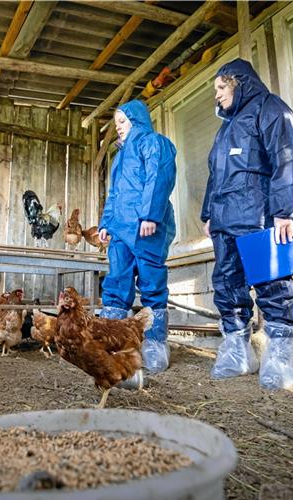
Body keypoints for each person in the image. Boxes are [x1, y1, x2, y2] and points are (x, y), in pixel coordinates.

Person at [201, 58, 293, 390]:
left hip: (258, 212)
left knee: (271, 280)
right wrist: (208, 214)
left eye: (221, 86)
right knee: (227, 283)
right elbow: (214, 175)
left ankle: (282, 354)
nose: (216, 94)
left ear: (239, 82)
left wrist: (285, 210)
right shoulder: (224, 129)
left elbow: (286, 155)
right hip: (224, 218)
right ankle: (237, 350)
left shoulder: (270, 108)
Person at [98, 99, 177, 379]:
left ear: (137, 120)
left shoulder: (154, 143)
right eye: (116, 123)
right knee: (116, 281)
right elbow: (115, 193)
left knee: (151, 281)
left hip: (146, 227)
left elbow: (159, 178)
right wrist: (106, 223)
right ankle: (112, 341)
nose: (118, 127)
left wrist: (150, 215)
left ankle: (155, 342)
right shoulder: (119, 157)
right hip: (120, 229)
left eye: (123, 121)